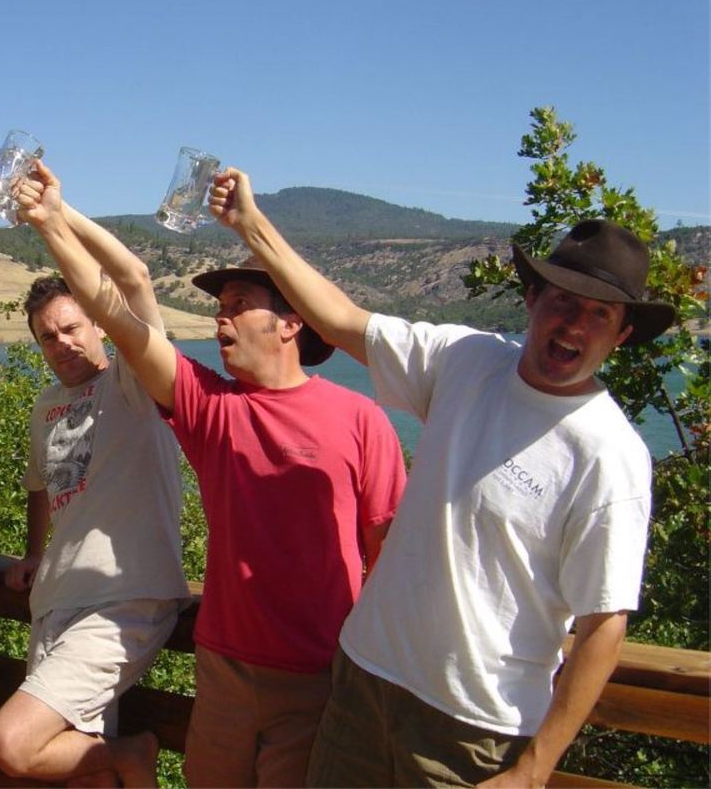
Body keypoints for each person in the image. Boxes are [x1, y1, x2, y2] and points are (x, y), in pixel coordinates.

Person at [204, 168, 676, 788]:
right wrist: (251, 225)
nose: (573, 324)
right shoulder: (467, 361)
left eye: (598, 313)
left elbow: (603, 628)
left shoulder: (608, 454)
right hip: (364, 680)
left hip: (471, 728)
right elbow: (342, 320)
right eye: (562, 299)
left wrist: (533, 772)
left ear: (623, 332)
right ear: (533, 300)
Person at [14, 162, 407, 787]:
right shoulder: (213, 408)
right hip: (222, 668)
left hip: (319, 676)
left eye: (239, 307)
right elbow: (116, 314)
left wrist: (374, 673)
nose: (220, 320)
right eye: (219, 307)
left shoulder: (362, 420)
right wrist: (49, 222)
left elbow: (389, 557)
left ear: (290, 321)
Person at [0, 213, 190, 787]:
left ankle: (133, 754)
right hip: (56, 599)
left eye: (73, 327)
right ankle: (121, 764)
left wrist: (52, 216)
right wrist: (30, 554)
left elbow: (137, 282)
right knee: (77, 772)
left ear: (98, 324)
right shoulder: (45, 403)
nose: (62, 342)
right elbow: (41, 489)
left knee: (13, 743)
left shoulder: (134, 381)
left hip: (123, 597)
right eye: (47, 336)